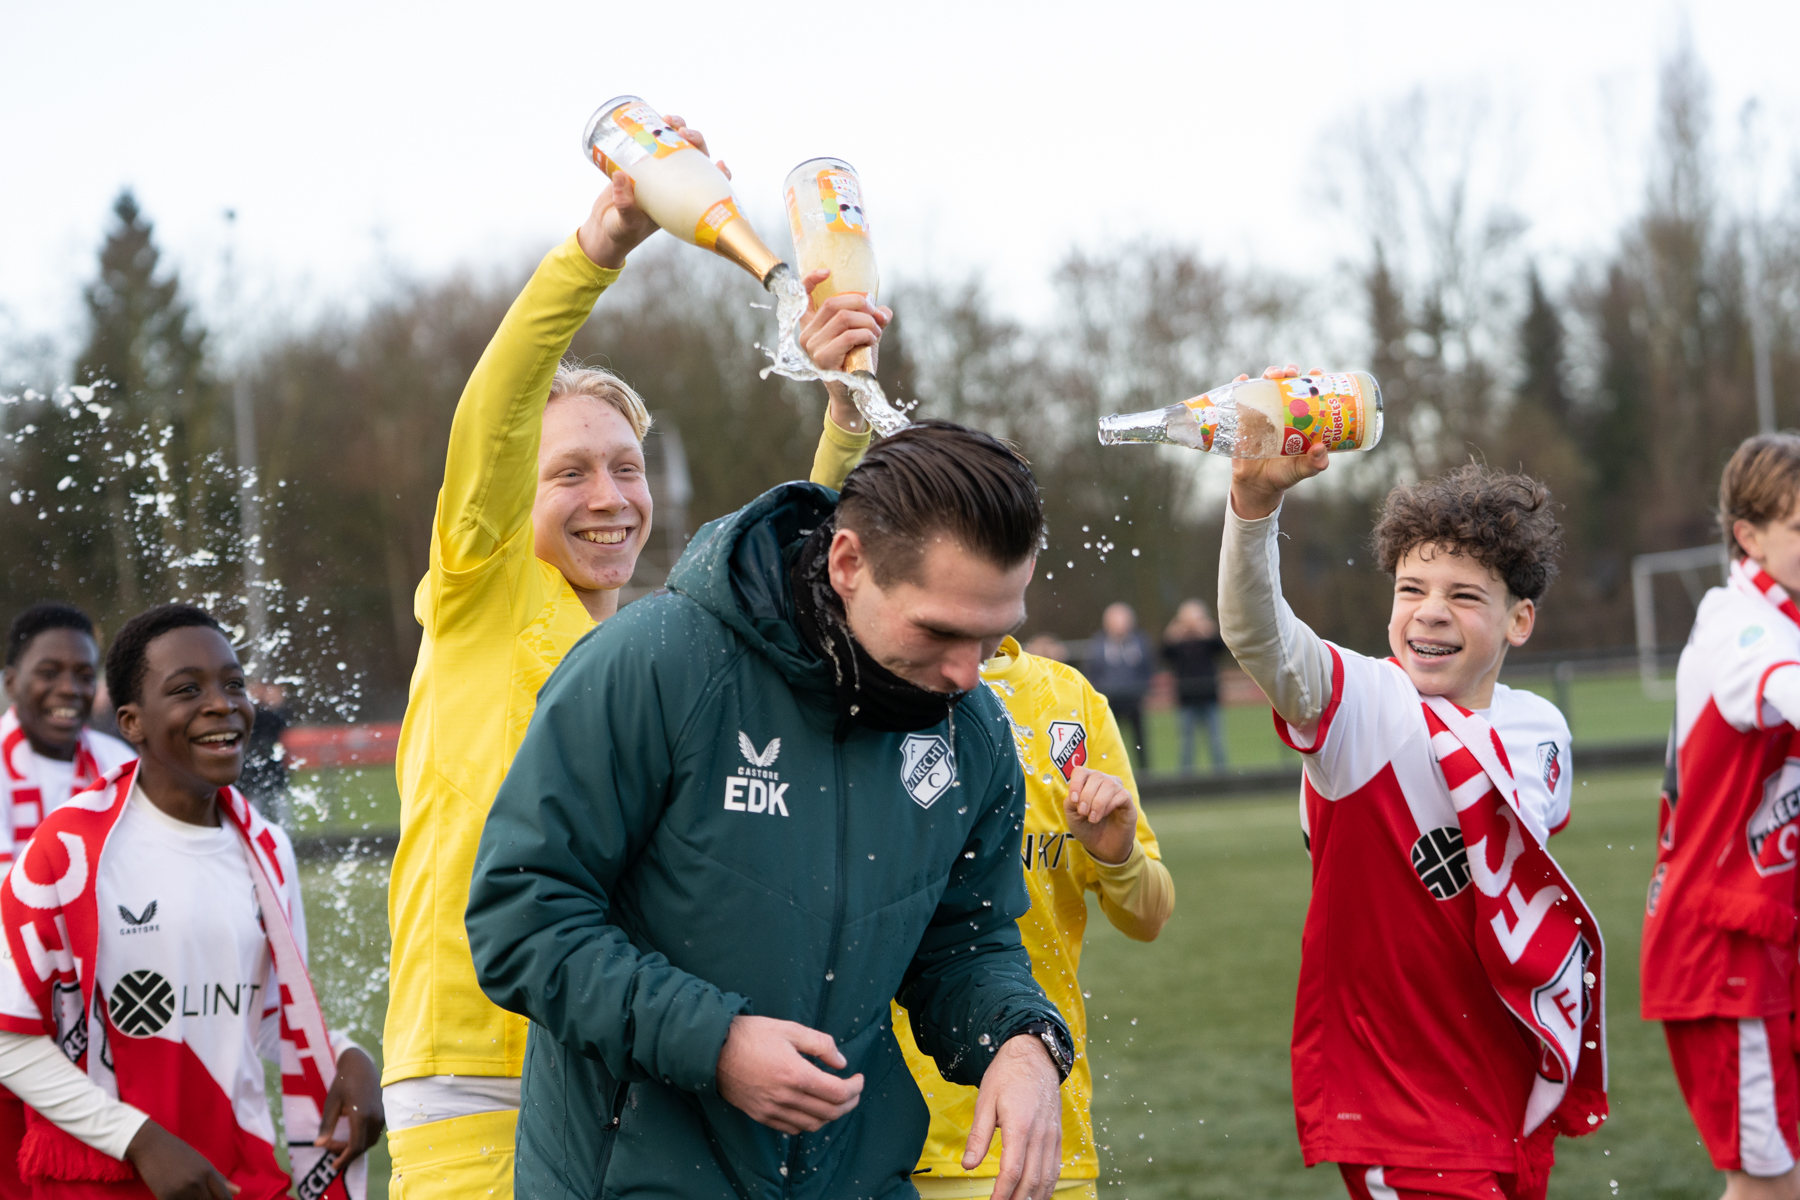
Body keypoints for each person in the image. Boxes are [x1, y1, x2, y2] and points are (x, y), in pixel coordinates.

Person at [380, 112, 893, 1200]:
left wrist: (845, 395)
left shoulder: (663, 645)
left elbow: (813, 573)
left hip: (618, 1061)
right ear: (507, 498)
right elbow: (497, 411)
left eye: (626, 467)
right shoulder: (480, 597)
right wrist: (599, 246)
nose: (611, 498)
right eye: (570, 475)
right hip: (475, 1075)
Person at [468, 422, 1074, 1200]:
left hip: (858, 1176)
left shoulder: (976, 732)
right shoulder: (654, 664)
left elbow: (966, 943)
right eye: (939, 631)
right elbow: (522, 917)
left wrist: (1021, 1040)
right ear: (848, 562)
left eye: (994, 639)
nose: (967, 673)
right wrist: (714, 1044)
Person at [1218, 366, 1601, 1200]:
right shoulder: (1363, 707)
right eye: (1412, 589)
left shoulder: (1544, 734)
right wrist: (1254, 507)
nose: (1429, 612)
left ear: (1519, 620)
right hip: (1401, 1104)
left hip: (1507, 1099)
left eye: (1465, 596)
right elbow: (1261, 637)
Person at [0, 603, 384, 1199]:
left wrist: (347, 1055)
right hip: (106, 1178)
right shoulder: (69, 850)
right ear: (132, 722)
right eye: (187, 689)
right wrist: (141, 1140)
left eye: (234, 683)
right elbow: (10, 1037)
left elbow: (262, 1015)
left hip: (235, 1171)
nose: (222, 703)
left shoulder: (268, 848)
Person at [894, 635, 1174, 1199]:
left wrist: (1116, 853)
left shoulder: (1070, 700)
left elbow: (1149, 914)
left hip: (1042, 1139)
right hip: (888, 1138)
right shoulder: (875, 688)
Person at [1642, 433, 1800, 1199]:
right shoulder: (1738, 624)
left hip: (1773, 938)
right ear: (1750, 535)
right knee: (1767, 1187)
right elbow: (1784, 684)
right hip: (1726, 950)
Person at [2, 604, 135, 869]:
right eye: (49, 674)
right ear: (11, 683)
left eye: (85, 676)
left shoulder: (119, 762)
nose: (69, 689)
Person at [1161, 599, 1229, 774]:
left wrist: (1206, 630)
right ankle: (1186, 777)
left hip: (1209, 695)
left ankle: (1221, 775)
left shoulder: (1207, 640)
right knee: (1186, 742)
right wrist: (1176, 631)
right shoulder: (1179, 642)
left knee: (1216, 739)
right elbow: (1164, 652)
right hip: (1186, 698)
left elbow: (1222, 648)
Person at [1082, 603, 1154, 767]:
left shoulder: (1139, 642)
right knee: (1108, 741)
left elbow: (1148, 668)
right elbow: (1091, 671)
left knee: (1140, 740)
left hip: (1134, 700)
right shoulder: (1098, 645)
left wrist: (1142, 690)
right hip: (1109, 701)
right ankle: (1109, 770)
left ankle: (1144, 773)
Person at [238, 681, 291, 823]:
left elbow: (277, 723)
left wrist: (273, 705)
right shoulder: (250, 715)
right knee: (255, 814)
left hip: (274, 772)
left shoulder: (277, 715)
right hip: (252, 775)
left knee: (279, 813)